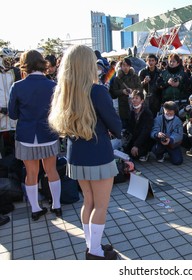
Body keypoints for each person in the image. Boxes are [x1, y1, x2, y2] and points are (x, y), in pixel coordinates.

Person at [49, 45, 122, 260]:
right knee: (101, 206)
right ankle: (95, 252)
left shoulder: (64, 91)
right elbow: (115, 125)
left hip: (76, 154)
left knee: (88, 202)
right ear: (88, 65)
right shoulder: (97, 90)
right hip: (98, 153)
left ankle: (92, 246)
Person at [8, 50, 61, 221]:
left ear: (25, 65)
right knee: (51, 170)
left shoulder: (17, 86)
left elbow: (13, 114)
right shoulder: (53, 85)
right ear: (41, 63)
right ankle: (57, 205)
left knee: (31, 174)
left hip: (26, 136)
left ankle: (36, 209)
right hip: (48, 133)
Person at [109, 57, 142, 128]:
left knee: (134, 122)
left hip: (134, 103)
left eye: (127, 65)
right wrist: (122, 91)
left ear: (130, 66)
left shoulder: (135, 76)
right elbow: (114, 92)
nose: (125, 67)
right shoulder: (117, 78)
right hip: (122, 105)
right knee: (124, 124)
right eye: (124, 65)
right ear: (121, 66)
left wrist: (132, 91)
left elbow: (140, 88)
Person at [124, 89, 154, 162]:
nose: (134, 100)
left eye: (136, 98)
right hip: (134, 138)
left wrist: (136, 145)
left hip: (145, 140)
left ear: (142, 101)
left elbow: (146, 131)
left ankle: (146, 153)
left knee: (137, 154)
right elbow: (129, 127)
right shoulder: (131, 111)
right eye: (133, 98)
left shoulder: (147, 113)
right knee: (126, 153)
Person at [150, 101, 183, 165]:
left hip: (172, 142)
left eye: (171, 111)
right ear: (163, 110)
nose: (168, 112)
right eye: (166, 110)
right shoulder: (158, 119)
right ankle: (160, 155)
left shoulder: (178, 121)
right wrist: (157, 134)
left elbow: (179, 135)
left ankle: (170, 153)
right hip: (160, 142)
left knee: (178, 161)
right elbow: (153, 131)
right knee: (155, 149)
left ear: (174, 111)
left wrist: (170, 139)